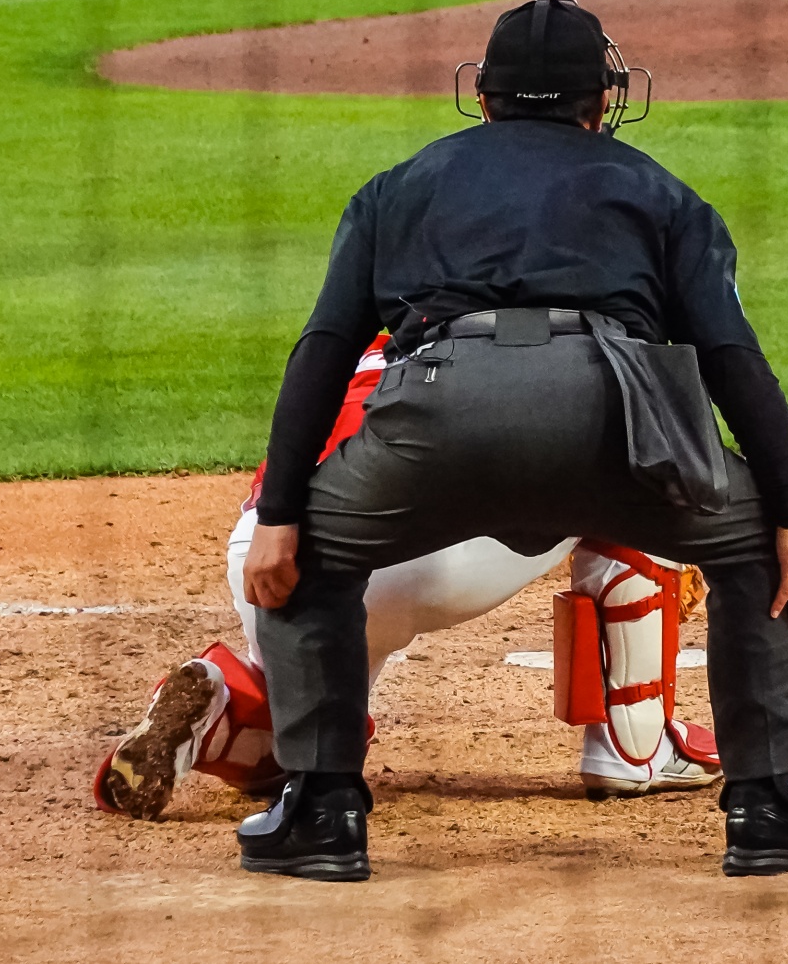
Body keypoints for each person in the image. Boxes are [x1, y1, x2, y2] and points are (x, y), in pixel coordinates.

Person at [233, 0, 788, 881]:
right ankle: (768, 808)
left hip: (436, 418)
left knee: (307, 557)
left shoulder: (398, 188)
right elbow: (733, 359)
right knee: (758, 547)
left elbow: (324, 352)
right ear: (601, 100)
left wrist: (281, 520)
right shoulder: (659, 191)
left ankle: (320, 811)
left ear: (483, 95)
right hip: (610, 422)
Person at [91, 338, 722, 818]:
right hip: (419, 558)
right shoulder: (544, 340)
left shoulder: (360, 340)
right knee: (639, 465)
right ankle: (635, 746)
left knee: (320, 737)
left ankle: (228, 711)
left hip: (264, 554)